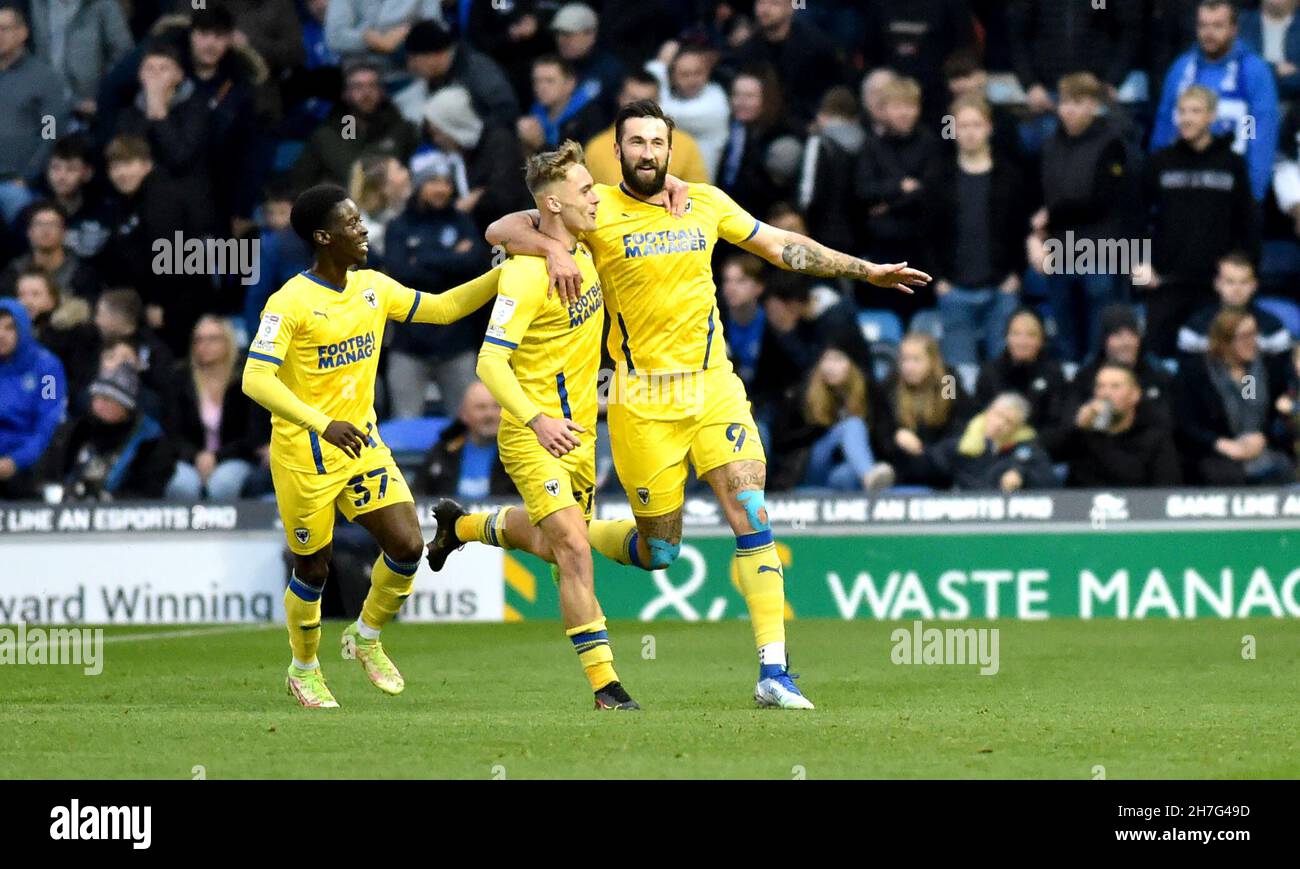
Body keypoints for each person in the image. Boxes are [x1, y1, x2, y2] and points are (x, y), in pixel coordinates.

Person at [486, 99, 930, 710]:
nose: (648, 153)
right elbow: (500, 228)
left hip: (713, 386)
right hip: (642, 403)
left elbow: (780, 245)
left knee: (751, 509)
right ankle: (549, 531)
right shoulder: (595, 211)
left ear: (672, 149)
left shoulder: (704, 201)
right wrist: (553, 249)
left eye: (657, 143)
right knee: (658, 553)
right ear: (617, 152)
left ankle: (774, 672)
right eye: (636, 143)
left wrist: (864, 271)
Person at [240, 183, 503, 708]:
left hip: (361, 446)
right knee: (313, 567)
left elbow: (446, 308)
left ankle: (365, 635)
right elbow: (254, 378)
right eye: (352, 223)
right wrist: (321, 423)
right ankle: (304, 668)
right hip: (305, 457)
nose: (363, 230)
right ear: (323, 236)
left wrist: (507, 274)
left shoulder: (373, 287)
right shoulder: (289, 301)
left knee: (408, 545)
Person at [428, 141, 644, 710]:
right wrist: (536, 418)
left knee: (553, 547)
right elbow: (488, 363)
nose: (596, 198)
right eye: (584, 191)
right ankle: (607, 686)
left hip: (579, 435)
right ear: (552, 204)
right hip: (533, 433)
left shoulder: (589, 244)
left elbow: (504, 224)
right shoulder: (525, 276)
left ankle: (464, 528)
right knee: (574, 549)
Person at [1140, 86, 1260, 357]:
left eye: (1195, 111)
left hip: (1215, 288)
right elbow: (1135, 217)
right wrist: (1139, 262)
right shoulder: (1159, 162)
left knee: (1215, 362)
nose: (1187, 118)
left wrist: (1244, 269)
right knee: (1161, 361)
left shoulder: (1232, 164)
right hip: (1166, 283)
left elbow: (1249, 222)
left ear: (1212, 116)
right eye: (1181, 111)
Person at [1029, 72, 1134, 362]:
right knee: (1065, 339)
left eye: (1077, 103)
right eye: (1064, 102)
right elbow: (1039, 193)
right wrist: (1039, 232)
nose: (1069, 110)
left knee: (1099, 340)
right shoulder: (1050, 145)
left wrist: (1050, 215)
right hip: (1061, 250)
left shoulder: (1114, 144)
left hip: (1101, 250)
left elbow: (1102, 200)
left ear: (1093, 105)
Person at [383, 156, 490, 418]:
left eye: (446, 182)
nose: (442, 189)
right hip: (409, 345)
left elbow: (474, 264)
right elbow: (399, 272)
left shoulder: (462, 221)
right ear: (419, 185)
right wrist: (451, 258)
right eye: (434, 181)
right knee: (404, 424)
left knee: (467, 423)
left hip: (457, 343)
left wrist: (422, 258)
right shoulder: (398, 226)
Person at [933, 95, 1032, 366]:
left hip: (1001, 288)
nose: (970, 132)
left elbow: (1023, 229)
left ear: (989, 128)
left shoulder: (1010, 177)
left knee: (1003, 369)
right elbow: (927, 233)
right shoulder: (939, 178)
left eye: (976, 124)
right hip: (953, 289)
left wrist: (1016, 274)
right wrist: (939, 279)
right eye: (962, 125)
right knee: (957, 373)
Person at [1151, 0, 1280, 201]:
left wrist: (1253, 195)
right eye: (1203, 25)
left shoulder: (1253, 71)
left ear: (1234, 29)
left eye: (1217, 26)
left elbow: (1256, 133)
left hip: (1232, 188)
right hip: (1181, 184)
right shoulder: (1181, 69)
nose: (1208, 33)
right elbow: (1165, 126)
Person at [1174, 307, 1297, 484]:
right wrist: (1222, 444)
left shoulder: (1261, 370)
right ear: (1224, 340)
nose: (1252, 342)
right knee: (1224, 474)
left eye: (1254, 334)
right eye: (1244, 337)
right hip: (1213, 452)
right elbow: (1186, 423)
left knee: (1281, 467)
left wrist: (1262, 437)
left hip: (1262, 448)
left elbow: (1266, 410)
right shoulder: (1197, 372)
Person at [771, 347, 894, 492]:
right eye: (826, 360)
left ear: (852, 364)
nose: (830, 367)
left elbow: (882, 441)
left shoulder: (869, 393)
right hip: (809, 467)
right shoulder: (803, 393)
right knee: (853, 424)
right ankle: (869, 475)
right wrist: (820, 429)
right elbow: (782, 441)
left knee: (847, 473)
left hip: (842, 470)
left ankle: (868, 486)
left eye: (838, 360)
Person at [168, 316, 263, 501]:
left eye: (212, 339)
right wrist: (197, 457)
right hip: (189, 459)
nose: (203, 345)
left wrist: (216, 457)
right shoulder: (180, 379)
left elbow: (253, 434)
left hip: (235, 457)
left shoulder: (247, 379)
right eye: (198, 340)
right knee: (181, 485)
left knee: (223, 485)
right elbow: (172, 432)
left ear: (228, 342)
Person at [57, 363, 174, 500]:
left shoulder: (150, 439)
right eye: (96, 397)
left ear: (125, 405)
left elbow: (148, 493)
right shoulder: (78, 429)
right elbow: (55, 474)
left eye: (107, 399)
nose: (99, 405)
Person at [873, 333, 975, 488]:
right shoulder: (892, 383)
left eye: (916, 360)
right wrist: (896, 435)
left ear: (932, 361)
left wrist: (931, 451)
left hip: (939, 461)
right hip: (902, 460)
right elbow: (881, 427)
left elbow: (959, 421)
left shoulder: (947, 381)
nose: (908, 367)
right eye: (904, 360)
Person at [1057, 363, 1183, 487]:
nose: (1105, 394)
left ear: (1135, 395)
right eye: (1100, 386)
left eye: (1115, 386)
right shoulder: (1082, 431)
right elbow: (1047, 455)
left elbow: (1165, 487)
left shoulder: (1154, 435)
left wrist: (1101, 439)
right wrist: (1075, 427)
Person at [584, 71, 709, 186]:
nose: (640, 107)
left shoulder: (685, 145)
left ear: (659, 102)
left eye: (647, 101)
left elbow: (699, 199)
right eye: (633, 99)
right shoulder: (596, 148)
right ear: (620, 98)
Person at [0, 298, 66, 499]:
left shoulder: (47, 369)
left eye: (9, 328)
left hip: (29, 460)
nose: (1, 335)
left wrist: (16, 461)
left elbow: (50, 421)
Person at [974, 308, 1069, 436]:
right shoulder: (989, 372)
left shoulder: (1053, 373)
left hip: (1040, 446)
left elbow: (1058, 422)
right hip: (995, 443)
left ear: (1042, 340)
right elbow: (979, 414)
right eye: (1016, 334)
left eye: (1031, 335)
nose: (1022, 342)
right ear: (1007, 337)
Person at [939, 392, 1058, 492]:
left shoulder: (1030, 449)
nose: (1000, 424)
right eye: (998, 415)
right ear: (988, 411)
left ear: (1018, 427)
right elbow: (933, 463)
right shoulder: (963, 442)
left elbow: (1049, 483)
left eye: (1009, 421)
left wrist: (1022, 476)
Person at [1179, 254, 1293, 357]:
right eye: (1230, 281)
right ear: (1217, 284)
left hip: (1255, 380)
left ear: (1254, 285)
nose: (1237, 289)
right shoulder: (1196, 327)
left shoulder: (1272, 328)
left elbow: (1280, 374)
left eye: (1244, 282)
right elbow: (1189, 374)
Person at [413, 381, 512, 498]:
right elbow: (419, 496)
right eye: (481, 407)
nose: (489, 414)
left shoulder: (518, 453)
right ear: (464, 414)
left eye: (496, 407)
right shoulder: (442, 453)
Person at [14, 268, 97, 401]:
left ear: (52, 299)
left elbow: (78, 382)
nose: (27, 302)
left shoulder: (74, 332)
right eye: (21, 295)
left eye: (35, 295)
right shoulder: (11, 333)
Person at [517, 54, 606, 155]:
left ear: (570, 84)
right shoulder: (534, 112)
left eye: (549, 81)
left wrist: (540, 145)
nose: (541, 88)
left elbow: (579, 166)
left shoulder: (590, 117)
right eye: (537, 81)